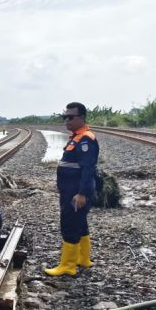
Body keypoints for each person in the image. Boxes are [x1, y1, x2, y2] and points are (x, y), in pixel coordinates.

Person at [45, 102, 100, 276]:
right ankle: (83, 259)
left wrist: (82, 194)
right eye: (65, 117)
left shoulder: (85, 140)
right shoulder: (76, 137)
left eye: (70, 117)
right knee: (80, 224)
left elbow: (88, 168)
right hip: (71, 190)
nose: (66, 120)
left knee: (69, 225)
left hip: (76, 192)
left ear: (81, 118)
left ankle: (68, 266)